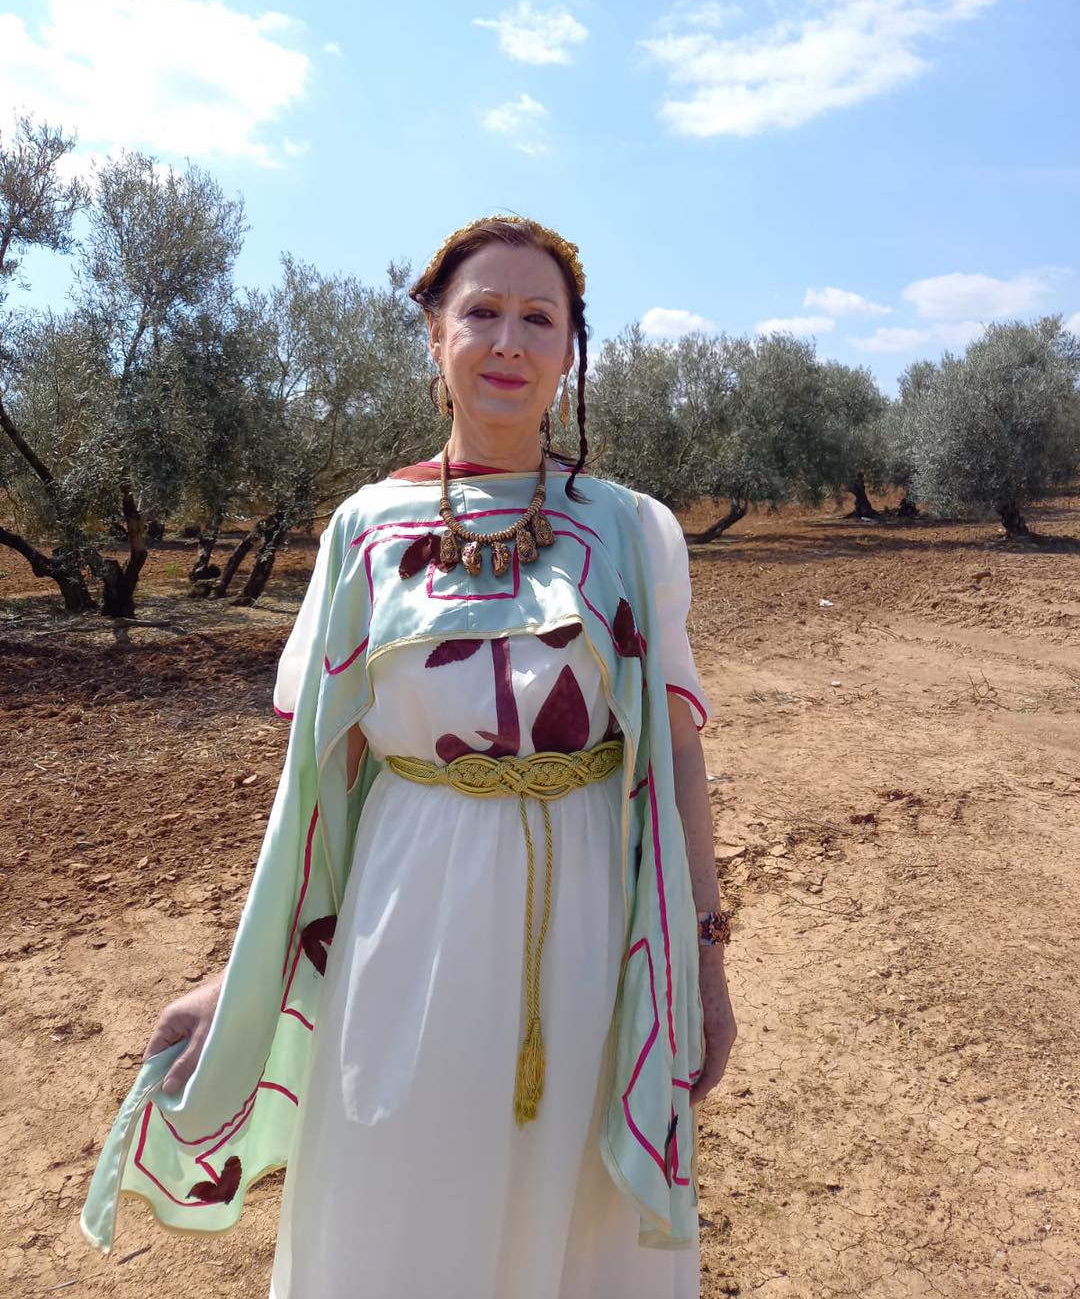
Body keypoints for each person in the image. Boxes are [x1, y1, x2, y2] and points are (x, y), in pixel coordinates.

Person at [80, 215, 737, 1298]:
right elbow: (317, 789)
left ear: (572, 349)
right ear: (436, 335)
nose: (509, 341)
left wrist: (704, 961)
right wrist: (240, 974)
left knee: (571, 1211)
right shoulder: (364, 530)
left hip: (591, 925)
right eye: (483, 312)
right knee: (402, 1195)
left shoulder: (634, 531)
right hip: (406, 917)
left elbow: (673, 756)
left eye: (540, 318)